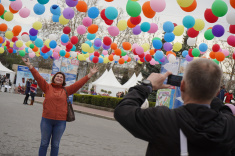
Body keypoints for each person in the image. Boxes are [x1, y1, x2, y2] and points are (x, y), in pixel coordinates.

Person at [114, 58, 235, 156]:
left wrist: (147, 85)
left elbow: (123, 110)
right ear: (217, 92)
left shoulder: (162, 119)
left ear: (182, 86)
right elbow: (225, 110)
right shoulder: (229, 126)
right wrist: (206, 88)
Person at [22, 58, 98, 156]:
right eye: (57, 76)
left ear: (63, 81)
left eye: (61, 77)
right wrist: (29, 66)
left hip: (60, 122)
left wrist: (90, 74)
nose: (59, 78)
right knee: (44, 143)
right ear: (54, 78)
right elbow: (38, 77)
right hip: (46, 120)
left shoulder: (67, 90)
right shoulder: (47, 87)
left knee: (55, 144)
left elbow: (79, 84)